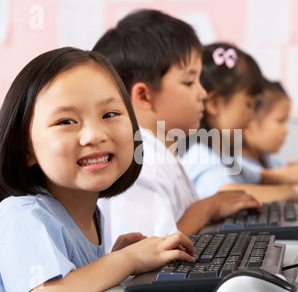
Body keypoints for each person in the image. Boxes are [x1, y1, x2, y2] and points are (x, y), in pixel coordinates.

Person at [0, 47, 195, 292]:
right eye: (66, 121)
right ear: (25, 149)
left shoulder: (92, 215)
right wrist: (127, 260)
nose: (95, 135)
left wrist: (113, 259)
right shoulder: (21, 214)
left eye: (110, 114)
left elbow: (78, 286)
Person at [93, 9, 260, 250]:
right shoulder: (138, 164)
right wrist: (206, 209)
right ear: (144, 95)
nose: (202, 93)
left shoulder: (157, 150)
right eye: (189, 82)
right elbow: (147, 253)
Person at [180, 43, 298, 203]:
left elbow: (268, 177)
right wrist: (293, 190)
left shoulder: (225, 157)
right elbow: (226, 195)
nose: (252, 115)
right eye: (249, 104)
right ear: (214, 105)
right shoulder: (199, 155)